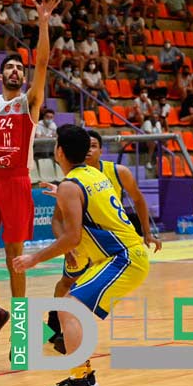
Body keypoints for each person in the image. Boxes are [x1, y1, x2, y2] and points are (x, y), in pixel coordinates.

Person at [13, 124, 151, 386]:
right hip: (124, 256)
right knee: (68, 307)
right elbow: (89, 206)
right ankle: (85, 379)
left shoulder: (70, 185)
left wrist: (33, 259)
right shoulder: (91, 175)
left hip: (123, 257)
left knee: (68, 309)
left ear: (59, 152)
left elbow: (72, 237)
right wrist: (61, 194)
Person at [0, 0, 58, 347]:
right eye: (11, 67)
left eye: (20, 67)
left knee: (14, 258)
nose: (16, 71)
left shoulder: (28, 103)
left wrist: (44, 22)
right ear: (1, 74)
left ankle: (20, 331)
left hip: (17, 180)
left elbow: (45, 62)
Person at [44, 129, 161, 351]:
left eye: (93, 146)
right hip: (85, 246)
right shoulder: (71, 182)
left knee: (75, 303)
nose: (89, 150)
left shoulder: (114, 172)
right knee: (67, 287)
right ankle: (56, 326)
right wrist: (66, 248)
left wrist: (147, 232)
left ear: (101, 150)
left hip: (112, 246)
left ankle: (78, 363)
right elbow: (58, 221)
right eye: (85, 146)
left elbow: (138, 199)